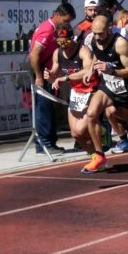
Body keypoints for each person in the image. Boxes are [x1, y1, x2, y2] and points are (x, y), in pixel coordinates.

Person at [85, 14, 128, 169]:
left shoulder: (120, 43)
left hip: (126, 87)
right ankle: (99, 155)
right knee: (91, 113)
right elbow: (96, 54)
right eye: (94, 33)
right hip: (108, 85)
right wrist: (90, 70)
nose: (97, 37)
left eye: (100, 33)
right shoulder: (92, 40)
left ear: (109, 29)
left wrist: (110, 69)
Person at [46, 23, 101, 171]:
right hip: (76, 93)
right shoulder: (57, 53)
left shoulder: (82, 51)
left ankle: (101, 137)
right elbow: (54, 73)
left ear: (72, 38)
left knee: (82, 129)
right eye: (59, 41)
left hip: (91, 91)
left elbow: (87, 71)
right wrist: (50, 76)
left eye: (66, 41)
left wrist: (66, 78)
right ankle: (95, 158)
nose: (63, 45)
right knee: (75, 134)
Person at [29, 3, 76, 155]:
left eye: (69, 22)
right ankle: (43, 144)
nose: (67, 24)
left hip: (50, 73)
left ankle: (50, 142)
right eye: (66, 20)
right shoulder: (47, 31)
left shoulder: (53, 29)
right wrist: (39, 76)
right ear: (57, 15)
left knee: (50, 108)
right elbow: (34, 54)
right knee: (43, 108)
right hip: (43, 74)